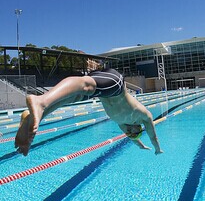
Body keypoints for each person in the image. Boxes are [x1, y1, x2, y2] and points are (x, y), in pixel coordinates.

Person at [15, 67, 164, 157]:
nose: (128, 132)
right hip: (115, 84)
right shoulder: (143, 115)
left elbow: (134, 139)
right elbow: (153, 135)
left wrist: (140, 146)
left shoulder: (121, 124)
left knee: (70, 98)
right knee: (86, 85)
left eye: (129, 134)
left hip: (102, 91)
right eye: (131, 132)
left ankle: (31, 118)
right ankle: (41, 101)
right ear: (137, 127)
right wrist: (157, 149)